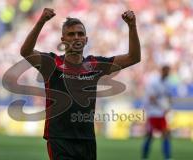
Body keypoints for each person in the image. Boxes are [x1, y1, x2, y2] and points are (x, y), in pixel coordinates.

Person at [20, 8, 140, 160]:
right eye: (71, 34)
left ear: (86, 39)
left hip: (87, 139)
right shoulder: (52, 63)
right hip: (59, 139)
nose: (76, 37)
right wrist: (41, 21)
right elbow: (26, 51)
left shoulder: (95, 64)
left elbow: (133, 57)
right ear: (63, 40)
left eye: (80, 34)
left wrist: (132, 26)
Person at [142, 65, 173, 160]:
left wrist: (169, 106)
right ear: (162, 71)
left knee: (166, 134)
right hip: (153, 112)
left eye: (169, 71)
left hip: (161, 113)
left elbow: (169, 96)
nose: (168, 73)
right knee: (150, 135)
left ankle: (167, 157)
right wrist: (163, 106)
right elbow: (151, 98)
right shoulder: (154, 82)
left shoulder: (167, 83)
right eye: (166, 71)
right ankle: (144, 156)